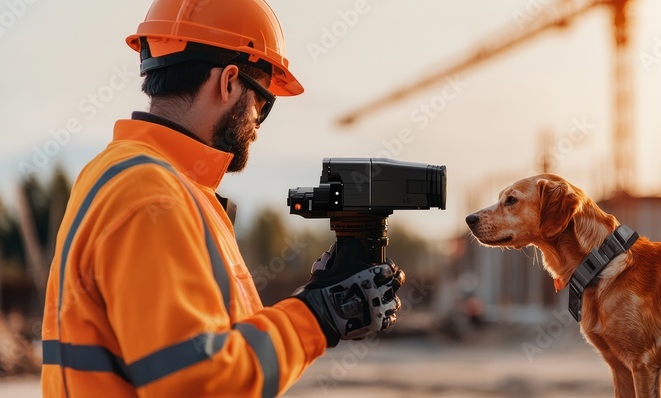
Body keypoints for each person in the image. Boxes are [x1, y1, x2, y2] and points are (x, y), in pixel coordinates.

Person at [40, 1, 404, 396]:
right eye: (262, 104)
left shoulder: (134, 176)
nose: (257, 127)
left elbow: (214, 345)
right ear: (228, 81)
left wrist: (318, 297)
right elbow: (198, 381)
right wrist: (318, 317)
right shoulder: (154, 196)